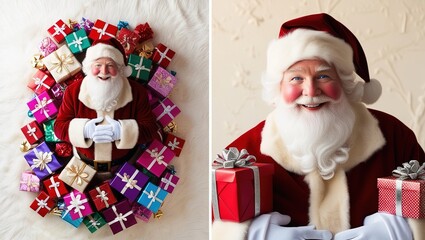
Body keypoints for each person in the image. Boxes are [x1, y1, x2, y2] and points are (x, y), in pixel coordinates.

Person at [212, 13, 425, 240]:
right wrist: (253, 234)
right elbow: (211, 218)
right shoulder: (246, 153)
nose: (311, 91)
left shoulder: (394, 137)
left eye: (323, 76)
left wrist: (402, 230)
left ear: (344, 83)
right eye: (296, 78)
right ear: (278, 87)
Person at [54, 38, 160, 180]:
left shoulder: (137, 92)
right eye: (98, 65)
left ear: (120, 69)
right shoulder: (73, 91)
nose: (103, 72)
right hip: (82, 167)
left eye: (110, 65)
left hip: (125, 168)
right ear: (89, 67)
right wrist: (84, 129)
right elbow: (59, 127)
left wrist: (122, 131)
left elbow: (151, 128)